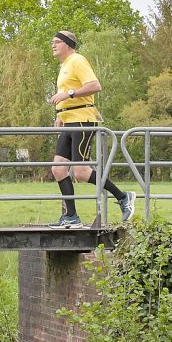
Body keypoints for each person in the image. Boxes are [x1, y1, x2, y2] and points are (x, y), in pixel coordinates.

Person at [46, 31, 135, 229]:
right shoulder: (63, 66)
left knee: (82, 172)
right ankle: (71, 217)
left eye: (57, 42)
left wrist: (68, 94)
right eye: (52, 42)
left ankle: (123, 197)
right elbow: (68, 96)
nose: (53, 45)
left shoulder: (77, 60)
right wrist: (60, 115)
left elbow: (95, 86)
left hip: (82, 121)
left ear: (68, 45)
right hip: (69, 121)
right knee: (58, 169)